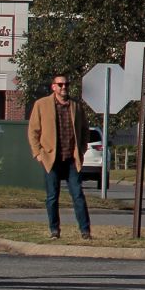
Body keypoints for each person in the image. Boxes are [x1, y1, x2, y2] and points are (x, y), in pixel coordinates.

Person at [27, 74, 92, 240]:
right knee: (52, 197)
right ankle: (54, 230)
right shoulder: (41, 105)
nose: (64, 87)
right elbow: (33, 132)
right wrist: (38, 154)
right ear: (53, 87)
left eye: (66, 84)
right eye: (60, 84)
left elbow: (85, 130)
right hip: (51, 158)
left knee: (78, 195)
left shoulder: (76, 106)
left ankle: (85, 231)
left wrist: (82, 149)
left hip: (71, 159)